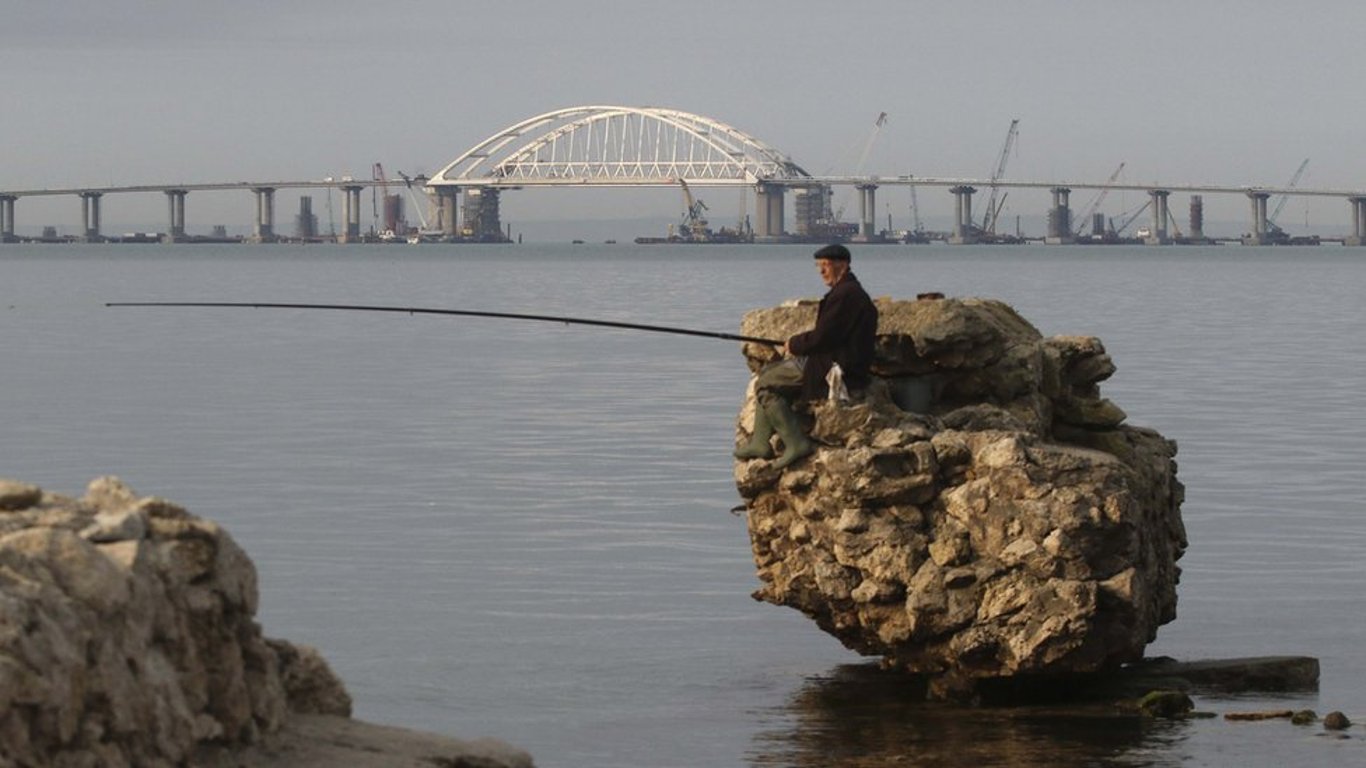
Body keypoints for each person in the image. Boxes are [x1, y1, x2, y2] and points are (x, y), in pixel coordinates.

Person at [735, 243, 878, 469]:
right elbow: (828, 334)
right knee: (767, 373)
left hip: (834, 366)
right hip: (833, 360)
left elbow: (824, 337)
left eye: (826, 265)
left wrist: (795, 344)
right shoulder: (849, 292)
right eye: (819, 266)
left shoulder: (846, 295)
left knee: (765, 385)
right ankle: (759, 442)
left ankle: (795, 443)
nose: (821, 271)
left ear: (843, 265)